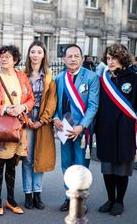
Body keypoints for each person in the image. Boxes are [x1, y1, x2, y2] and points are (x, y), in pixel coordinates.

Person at [0, 45, 34, 216]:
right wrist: (6, 109)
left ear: (15, 60)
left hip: (19, 127)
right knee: (0, 164)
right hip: (2, 127)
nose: (3, 59)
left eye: (8, 56)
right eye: (1, 56)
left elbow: (31, 99)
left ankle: (10, 200)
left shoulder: (22, 76)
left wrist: (23, 107)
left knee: (13, 164)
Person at [95, 44, 137, 216]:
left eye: (114, 58)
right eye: (108, 58)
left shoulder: (136, 79)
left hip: (125, 132)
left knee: (122, 169)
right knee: (108, 167)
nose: (110, 62)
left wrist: (132, 126)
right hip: (106, 130)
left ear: (122, 58)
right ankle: (110, 199)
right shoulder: (103, 79)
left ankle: (119, 201)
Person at [53, 44, 100, 212]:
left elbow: (93, 106)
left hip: (82, 129)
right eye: (69, 56)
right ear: (64, 59)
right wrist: (55, 117)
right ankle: (69, 197)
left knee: (80, 165)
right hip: (64, 128)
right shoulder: (59, 78)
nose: (73, 59)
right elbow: (54, 103)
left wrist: (82, 126)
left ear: (81, 58)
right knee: (66, 164)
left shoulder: (92, 77)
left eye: (76, 56)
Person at [22, 41, 57, 210]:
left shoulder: (49, 76)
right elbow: (17, 98)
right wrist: (26, 118)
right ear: (29, 54)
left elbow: (52, 101)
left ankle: (38, 193)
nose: (35, 55)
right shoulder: (22, 74)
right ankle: (28, 194)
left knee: (39, 156)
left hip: (42, 121)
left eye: (39, 52)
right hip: (25, 120)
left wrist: (42, 120)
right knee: (27, 158)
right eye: (33, 51)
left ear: (44, 55)